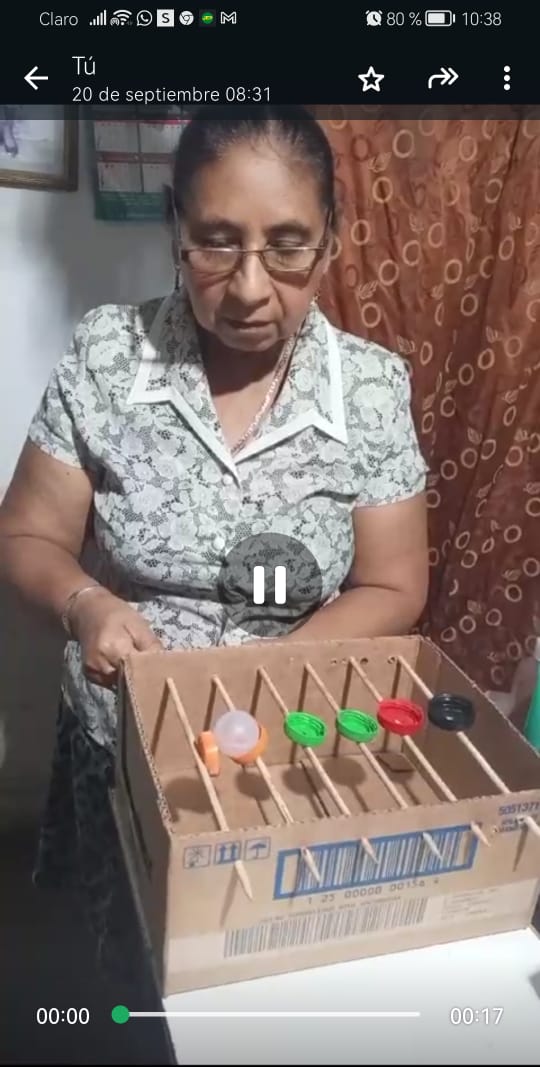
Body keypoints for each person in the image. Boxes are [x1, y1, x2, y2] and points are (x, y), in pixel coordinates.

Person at [0, 107, 429, 984]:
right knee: (131, 963)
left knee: (258, 969)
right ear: (176, 228)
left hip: (288, 740)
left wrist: (260, 678)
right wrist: (85, 604)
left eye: (288, 246)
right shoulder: (108, 356)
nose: (249, 289)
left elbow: (393, 585)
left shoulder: (371, 389)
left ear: (331, 239)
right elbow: (28, 533)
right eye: (217, 243)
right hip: (123, 742)